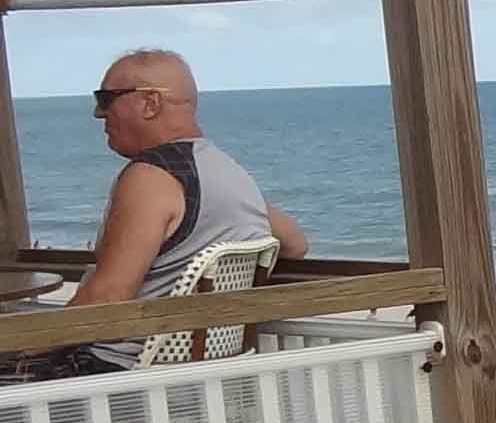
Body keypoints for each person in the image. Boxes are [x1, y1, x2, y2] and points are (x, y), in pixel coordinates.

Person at [5, 49, 310, 382]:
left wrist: (28, 342)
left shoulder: (150, 176)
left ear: (150, 103)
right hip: (198, 372)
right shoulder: (229, 173)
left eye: (106, 99)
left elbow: (109, 297)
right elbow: (294, 244)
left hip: (117, 373)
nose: (98, 113)